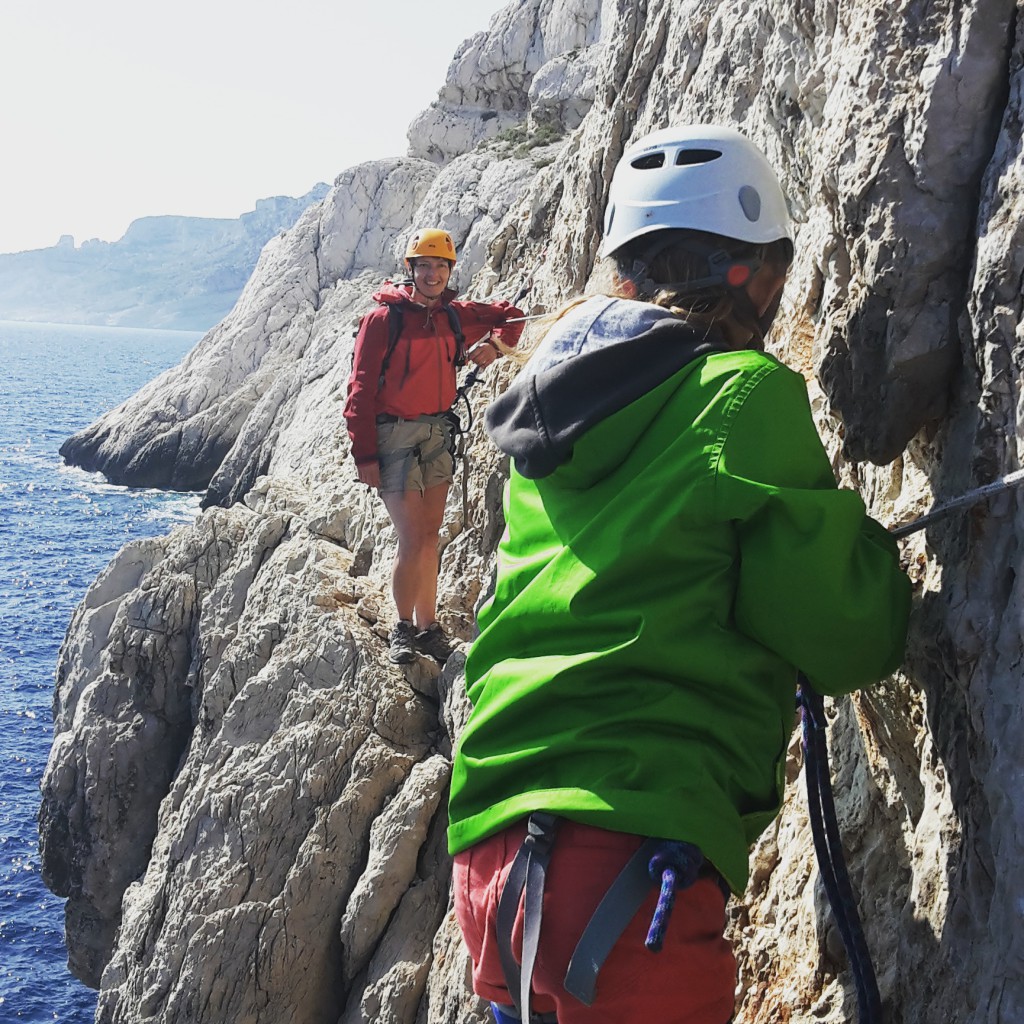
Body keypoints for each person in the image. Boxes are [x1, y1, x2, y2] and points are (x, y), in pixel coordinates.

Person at [447, 126, 912, 1024]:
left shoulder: (551, 415)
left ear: (625, 271)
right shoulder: (740, 394)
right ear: (753, 274)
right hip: (625, 872)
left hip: (489, 857)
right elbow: (848, 635)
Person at [344, 228, 524, 665]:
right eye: (423, 265)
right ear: (410, 270)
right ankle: (402, 628)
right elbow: (360, 390)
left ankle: (428, 627)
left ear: (449, 271)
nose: (432, 274)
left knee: (428, 537)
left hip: (437, 433)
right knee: (412, 538)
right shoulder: (384, 320)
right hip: (394, 435)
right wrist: (364, 454)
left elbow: (514, 317)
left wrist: (495, 349)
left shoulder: (455, 315)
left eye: (440, 266)